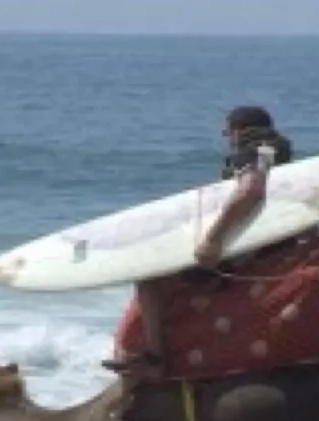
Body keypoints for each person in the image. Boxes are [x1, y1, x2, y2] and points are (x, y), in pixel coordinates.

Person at [102, 105, 295, 379]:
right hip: (281, 242)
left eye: (227, 133)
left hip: (246, 251)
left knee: (149, 280)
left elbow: (250, 191)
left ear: (238, 131)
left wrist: (213, 241)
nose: (229, 140)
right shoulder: (284, 154)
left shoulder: (253, 153)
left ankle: (155, 360)